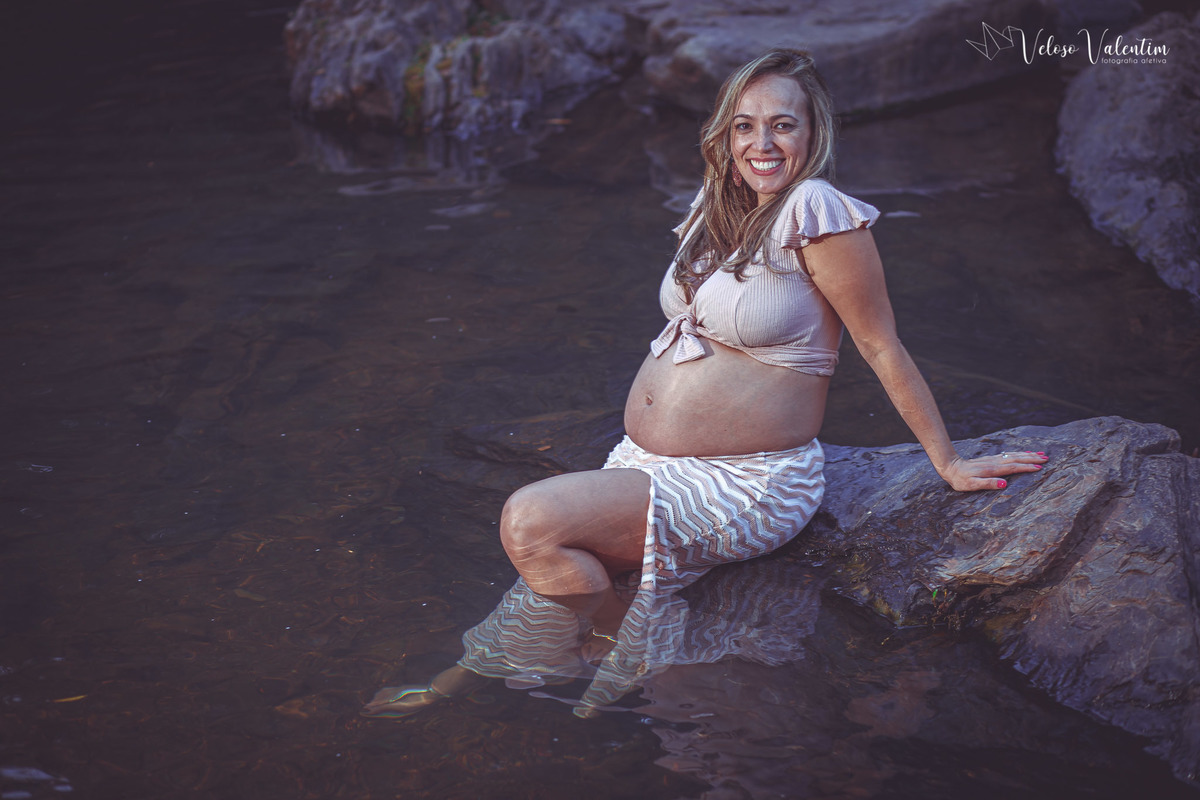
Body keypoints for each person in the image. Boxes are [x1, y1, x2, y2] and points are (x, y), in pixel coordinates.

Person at [362, 48, 1047, 718]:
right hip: (649, 463)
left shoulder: (816, 209)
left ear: (814, 131)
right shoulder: (721, 206)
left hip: (749, 478)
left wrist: (948, 461)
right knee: (549, 582)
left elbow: (879, 344)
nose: (763, 142)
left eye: (784, 123)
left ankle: (628, 645)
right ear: (724, 132)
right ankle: (463, 681)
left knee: (530, 521)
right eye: (745, 125)